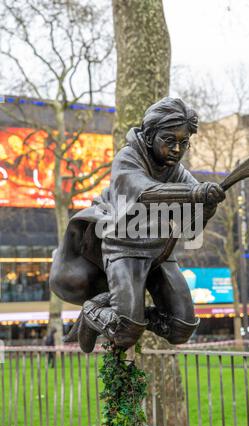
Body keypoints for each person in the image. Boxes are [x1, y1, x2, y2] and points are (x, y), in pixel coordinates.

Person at [50, 97, 225, 352]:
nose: (177, 149)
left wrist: (207, 206)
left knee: (181, 327)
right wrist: (193, 194)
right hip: (123, 248)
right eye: (169, 140)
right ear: (150, 134)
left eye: (183, 143)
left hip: (159, 253)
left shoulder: (176, 170)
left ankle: (115, 308)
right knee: (125, 332)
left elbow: (191, 230)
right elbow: (145, 193)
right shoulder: (128, 158)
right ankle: (98, 312)